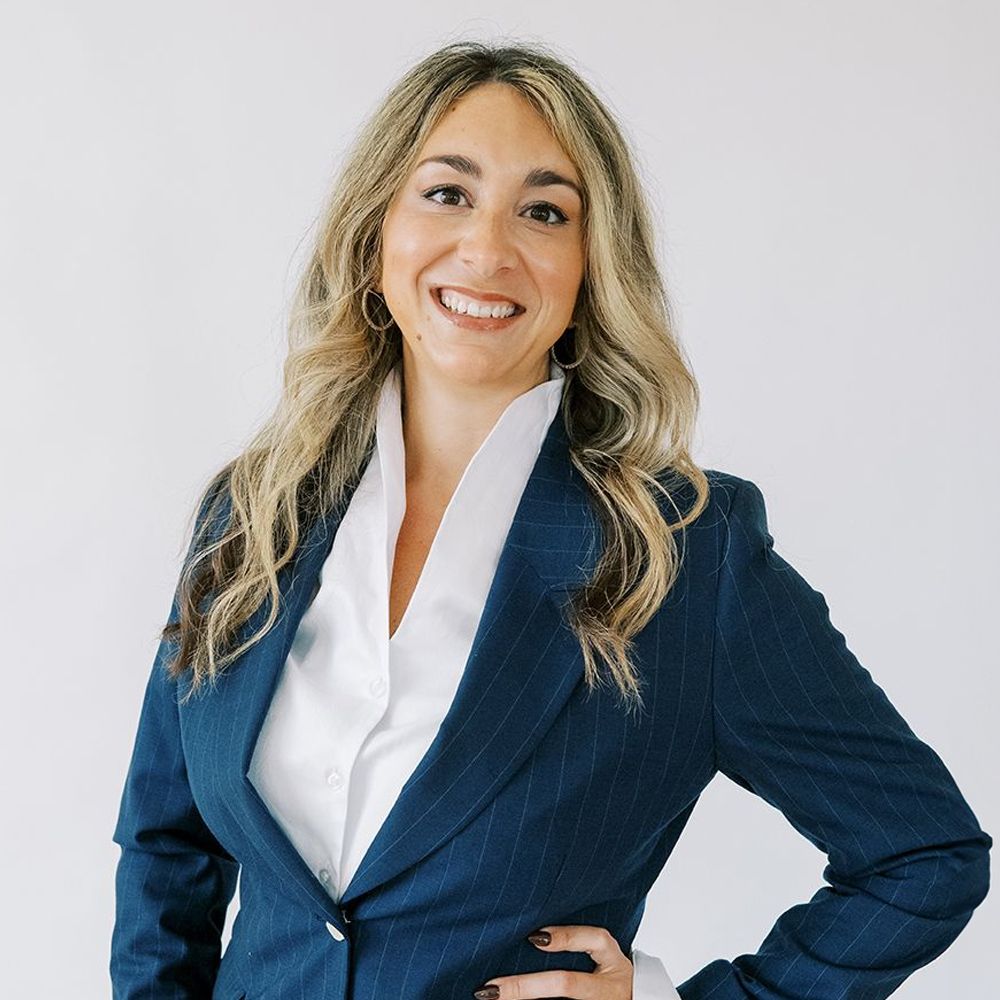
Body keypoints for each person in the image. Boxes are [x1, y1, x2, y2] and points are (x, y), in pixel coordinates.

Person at [110, 40, 991, 1000]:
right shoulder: (255, 511)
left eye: (543, 211)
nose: (486, 250)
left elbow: (923, 853)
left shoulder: (689, 554)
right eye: (446, 194)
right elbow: (170, 844)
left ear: (588, 269)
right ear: (375, 236)